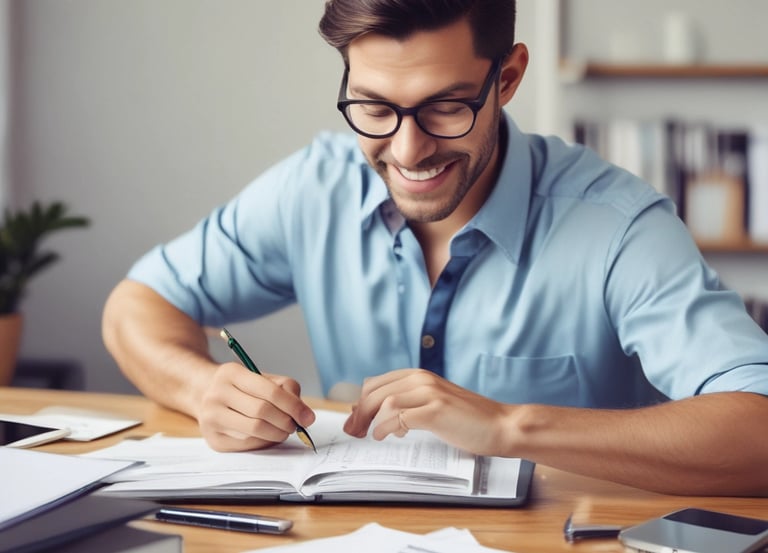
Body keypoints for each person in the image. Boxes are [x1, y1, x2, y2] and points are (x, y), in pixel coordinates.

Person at [102, 0, 768, 496]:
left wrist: (510, 427)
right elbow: (136, 304)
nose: (408, 149)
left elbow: (758, 428)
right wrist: (204, 388)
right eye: (373, 106)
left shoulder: (619, 224)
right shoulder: (313, 189)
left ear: (506, 79)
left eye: (446, 107)